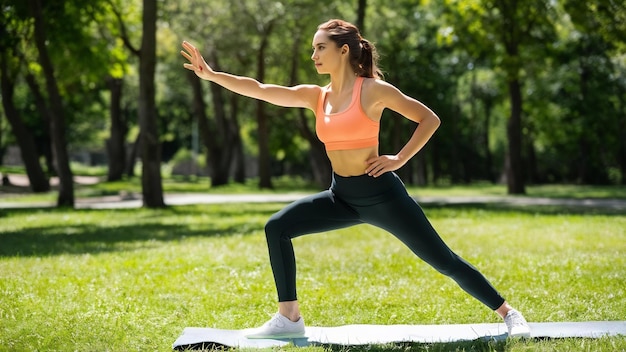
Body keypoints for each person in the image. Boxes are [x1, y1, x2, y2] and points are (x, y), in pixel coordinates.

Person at [181, 19, 531, 339]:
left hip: (383, 197)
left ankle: (508, 312)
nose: (313, 55)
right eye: (313, 48)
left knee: (443, 261)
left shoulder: (372, 91)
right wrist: (212, 75)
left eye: (321, 47)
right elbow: (259, 88)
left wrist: (398, 159)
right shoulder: (317, 96)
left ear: (343, 50)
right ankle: (289, 318)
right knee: (277, 227)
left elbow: (428, 119)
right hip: (342, 196)